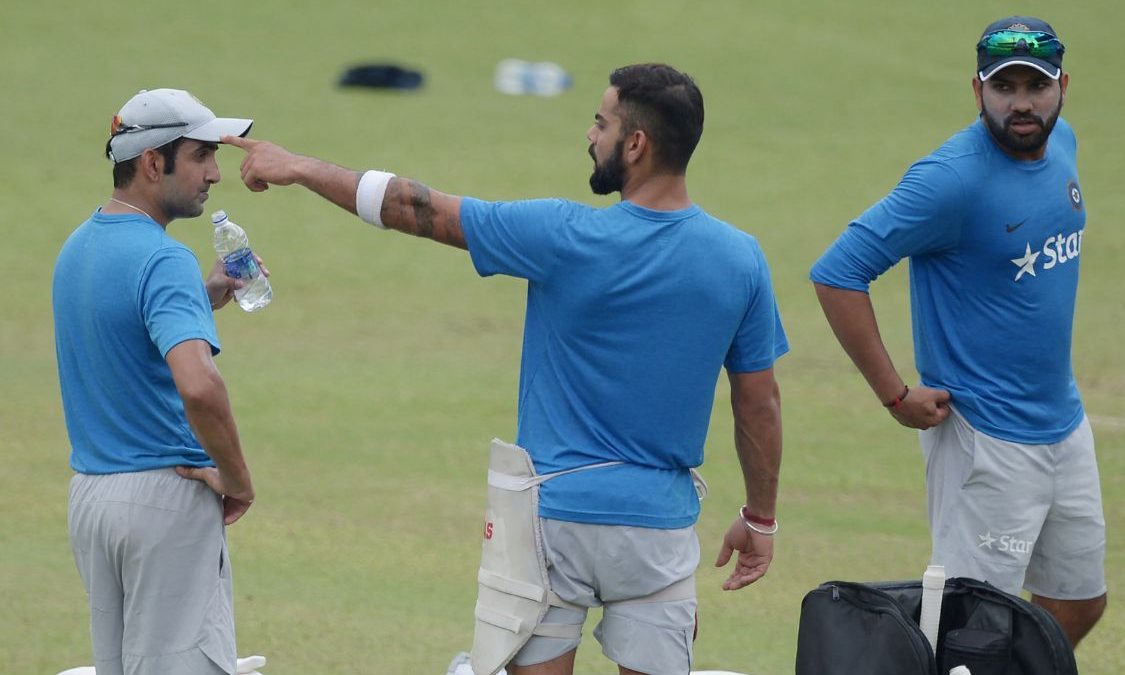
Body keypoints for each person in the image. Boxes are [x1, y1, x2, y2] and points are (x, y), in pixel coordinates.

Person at [223, 63, 788, 674]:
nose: (590, 136)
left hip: (550, 523)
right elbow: (759, 403)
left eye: (601, 123)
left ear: (636, 144)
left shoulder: (562, 235)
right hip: (656, 531)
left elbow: (414, 208)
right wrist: (760, 516)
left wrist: (299, 167)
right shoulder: (740, 259)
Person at [810, 17, 1105, 647]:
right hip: (985, 441)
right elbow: (837, 272)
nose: (1021, 101)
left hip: (1063, 424)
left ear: (1063, 88)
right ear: (978, 92)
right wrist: (894, 394)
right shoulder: (949, 180)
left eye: (1036, 84)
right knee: (971, 632)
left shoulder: (1065, 145)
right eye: (1005, 87)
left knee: (1076, 604)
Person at [53, 88, 259, 674]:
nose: (215, 174)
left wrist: (200, 299)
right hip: (164, 499)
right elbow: (198, 385)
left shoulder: (78, 247)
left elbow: (119, 337)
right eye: (200, 156)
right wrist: (237, 478)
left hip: (92, 498)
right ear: (152, 163)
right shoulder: (163, 259)